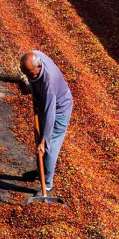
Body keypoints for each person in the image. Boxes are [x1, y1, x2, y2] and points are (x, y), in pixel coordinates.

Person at [19, 49, 73, 198]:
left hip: (58, 112)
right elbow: (32, 77)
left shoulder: (48, 84)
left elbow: (50, 115)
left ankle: (48, 185)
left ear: (39, 67)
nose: (28, 77)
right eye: (25, 74)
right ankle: (40, 170)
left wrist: (44, 140)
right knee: (39, 141)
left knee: (48, 147)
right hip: (44, 106)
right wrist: (32, 89)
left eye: (30, 74)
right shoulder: (35, 57)